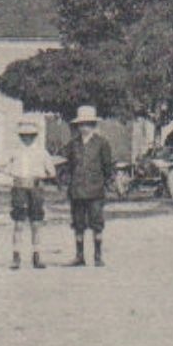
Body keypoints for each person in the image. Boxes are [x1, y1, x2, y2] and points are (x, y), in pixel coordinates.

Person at [1, 119, 59, 270]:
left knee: (36, 223)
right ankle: (16, 257)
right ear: (20, 136)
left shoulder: (41, 152)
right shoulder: (14, 151)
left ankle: (36, 256)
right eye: (24, 135)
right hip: (19, 188)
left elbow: (52, 171)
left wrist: (40, 176)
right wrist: (10, 171)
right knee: (19, 223)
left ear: (35, 136)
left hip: (35, 188)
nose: (27, 138)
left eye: (31, 135)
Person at [62, 105, 115, 267]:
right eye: (81, 124)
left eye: (88, 124)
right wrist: (67, 183)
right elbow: (68, 166)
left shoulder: (101, 143)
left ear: (93, 125)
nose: (84, 127)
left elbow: (107, 167)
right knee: (78, 223)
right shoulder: (73, 145)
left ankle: (98, 256)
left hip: (96, 191)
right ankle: (79, 256)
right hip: (77, 190)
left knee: (97, 223)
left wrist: (106, 183)